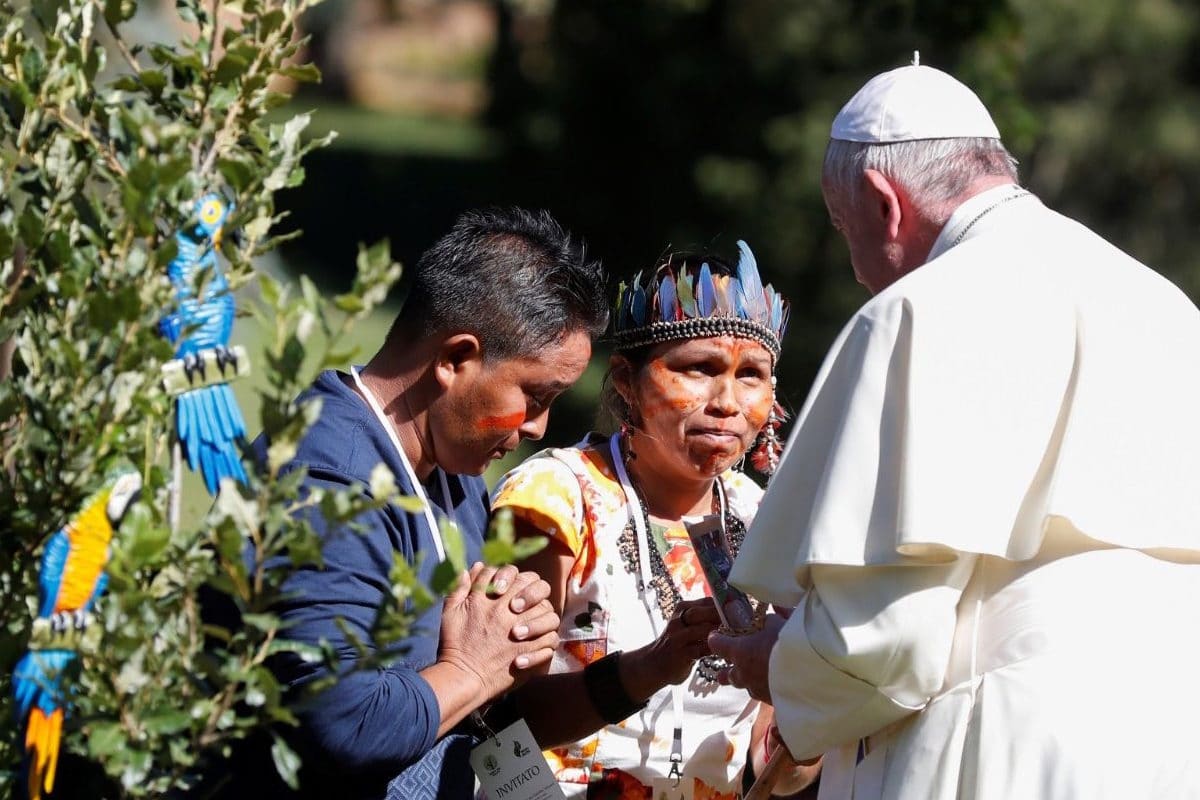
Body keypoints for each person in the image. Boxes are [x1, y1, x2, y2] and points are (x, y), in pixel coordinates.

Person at [709, 60, 1200, 799]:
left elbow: (887, 642)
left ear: (883, 205)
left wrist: (782, 664)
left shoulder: (919, 311)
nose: (858, 270)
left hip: (1013, 743)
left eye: (846, 231)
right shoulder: (1166, 304)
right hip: (1173, 734)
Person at [224, 207, 610, 800]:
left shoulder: (449, 472)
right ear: (455, 359)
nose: (540, 426)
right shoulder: (327, 483)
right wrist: (475, 671)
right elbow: (341, 722)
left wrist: (511, 650)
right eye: (535, 395)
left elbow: (470, 710)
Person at [491, 243, 820, 798]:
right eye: (700, 368)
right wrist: (647, 668)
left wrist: (808, 713)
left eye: (752, 376)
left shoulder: (764, 517)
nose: (727, 401)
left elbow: (778, 766)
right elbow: (493, 714)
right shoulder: (551, 499)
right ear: (626, 381)